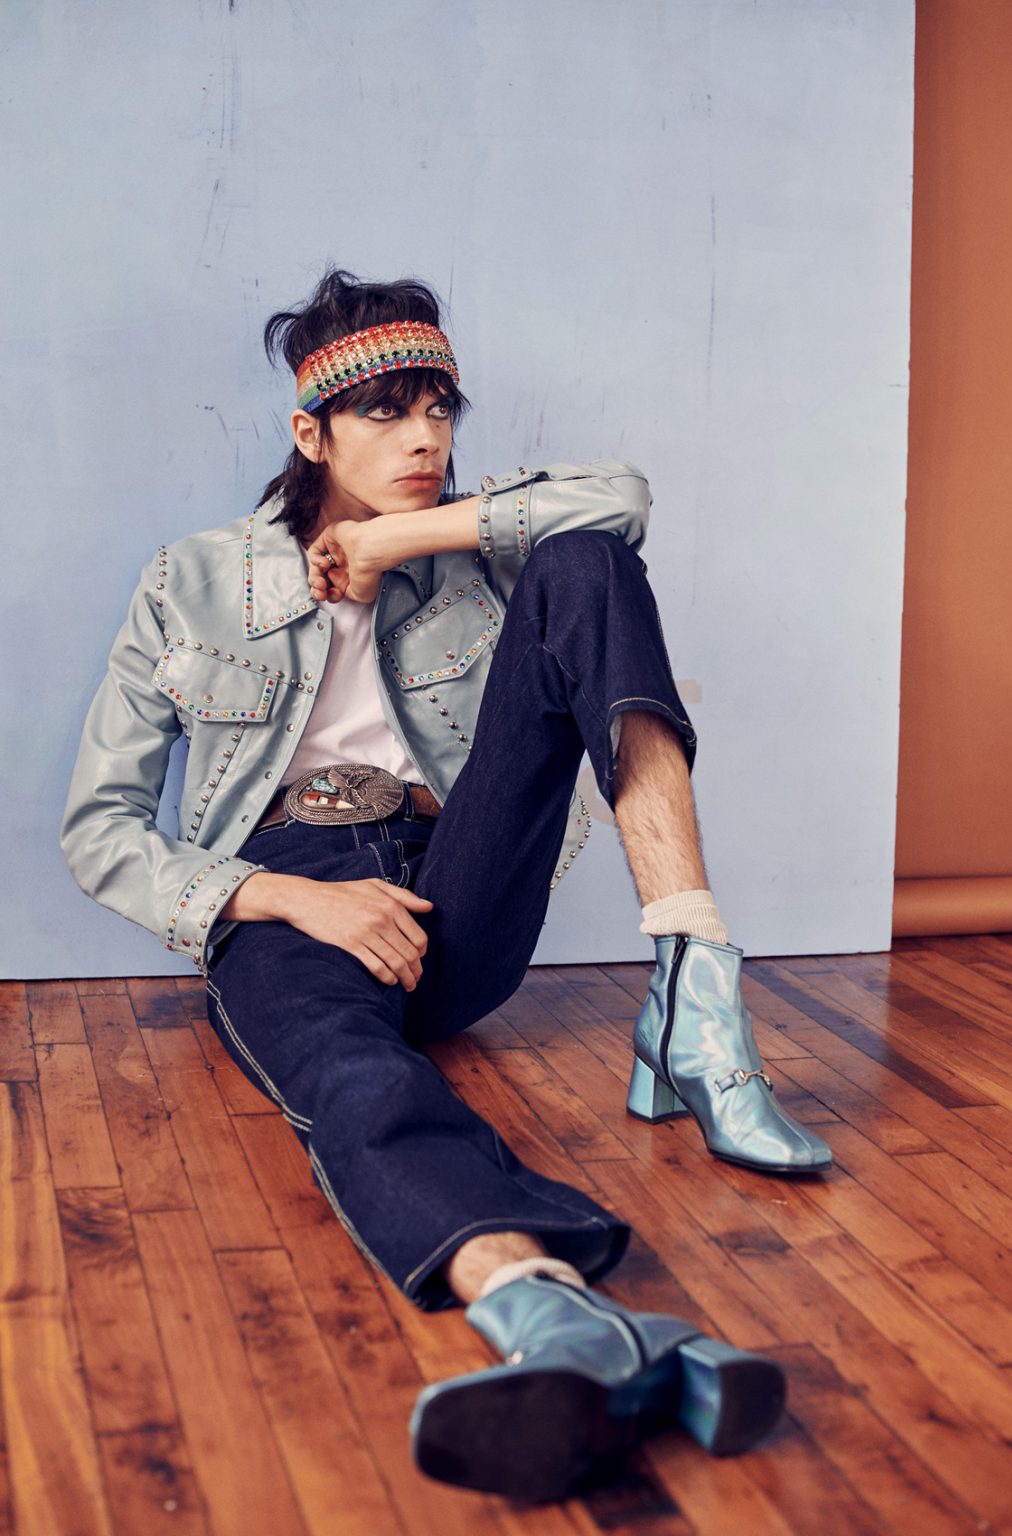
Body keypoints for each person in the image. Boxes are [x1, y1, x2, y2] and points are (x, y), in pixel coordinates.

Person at [62, 269, 830, 1502]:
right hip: (283, 896)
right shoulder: (192, 581)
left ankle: (694, 983)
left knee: (588, 563)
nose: (424, 438)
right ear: (309, 432)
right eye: (385, 412)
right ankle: (554, 1310)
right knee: (353, 1078)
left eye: (439, 409)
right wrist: (289, 898)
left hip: (454, 884)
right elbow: (97, 827)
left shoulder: (472, 552)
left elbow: (621, 502)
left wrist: (398, 538)